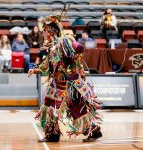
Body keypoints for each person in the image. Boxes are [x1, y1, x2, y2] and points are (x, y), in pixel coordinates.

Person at [28, 15, 103, 143]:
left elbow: (79, 48)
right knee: (49, 106)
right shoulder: (52, 47)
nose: (43, 33)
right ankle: (52, 134)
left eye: (45, 31)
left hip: (70, 83)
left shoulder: (63, 41)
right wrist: (35, 69)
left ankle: (93, 130)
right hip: (56, 83)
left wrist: (75, 58)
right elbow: (47, 64)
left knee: (77, 109)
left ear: (51, 32)